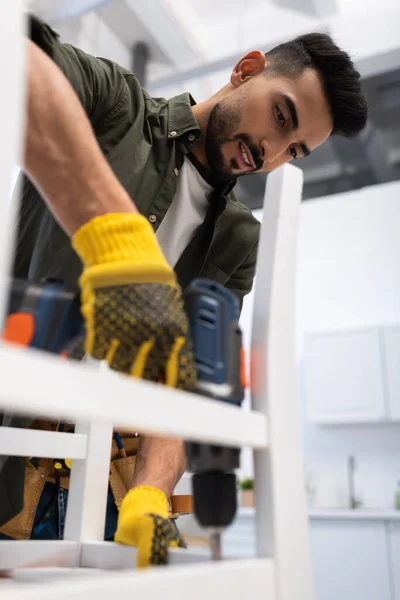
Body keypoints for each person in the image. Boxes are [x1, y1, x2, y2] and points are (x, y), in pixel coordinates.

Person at [0, 15, 367, 566]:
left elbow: (184, 386)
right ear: (247, 71)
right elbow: (15, 55)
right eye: (281, 116)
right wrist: (113, 239)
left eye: (293, 151)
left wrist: (150, 494)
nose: (269, 152)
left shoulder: (239, 240)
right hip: (13, 441)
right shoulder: (118, 109)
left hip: (111, 481)